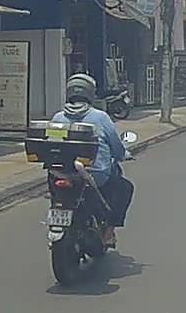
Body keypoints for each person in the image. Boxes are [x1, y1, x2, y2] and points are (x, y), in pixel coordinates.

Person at [50, 74, 134, 247]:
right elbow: (116, 148)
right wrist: (123, 154)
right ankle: (108, 232)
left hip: (59, 173)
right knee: (125, 188)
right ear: (90, 93)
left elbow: (51, 143)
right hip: (95, 176)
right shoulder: (100, 117)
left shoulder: (58, 118)